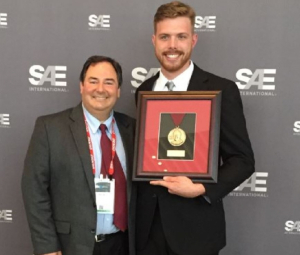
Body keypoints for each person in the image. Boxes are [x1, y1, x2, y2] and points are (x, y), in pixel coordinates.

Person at [134, 2, 255, 255]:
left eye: (181, 37)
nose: (172, 46)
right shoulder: (143, 91)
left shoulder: (221, 90)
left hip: (196, 232)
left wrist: (200, 188)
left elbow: (243, 160)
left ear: (194, 40)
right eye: (165, 37)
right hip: (148, 232)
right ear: (154, 40)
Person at [22, 56, 135, 255]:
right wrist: (46, 246)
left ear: (118, 90)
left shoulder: (132, 129)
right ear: (81, 86)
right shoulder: (50, 128)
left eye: (109, 82)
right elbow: (34, 190)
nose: (100, 89)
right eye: (93, 81)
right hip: (72, 246)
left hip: (123, 245)